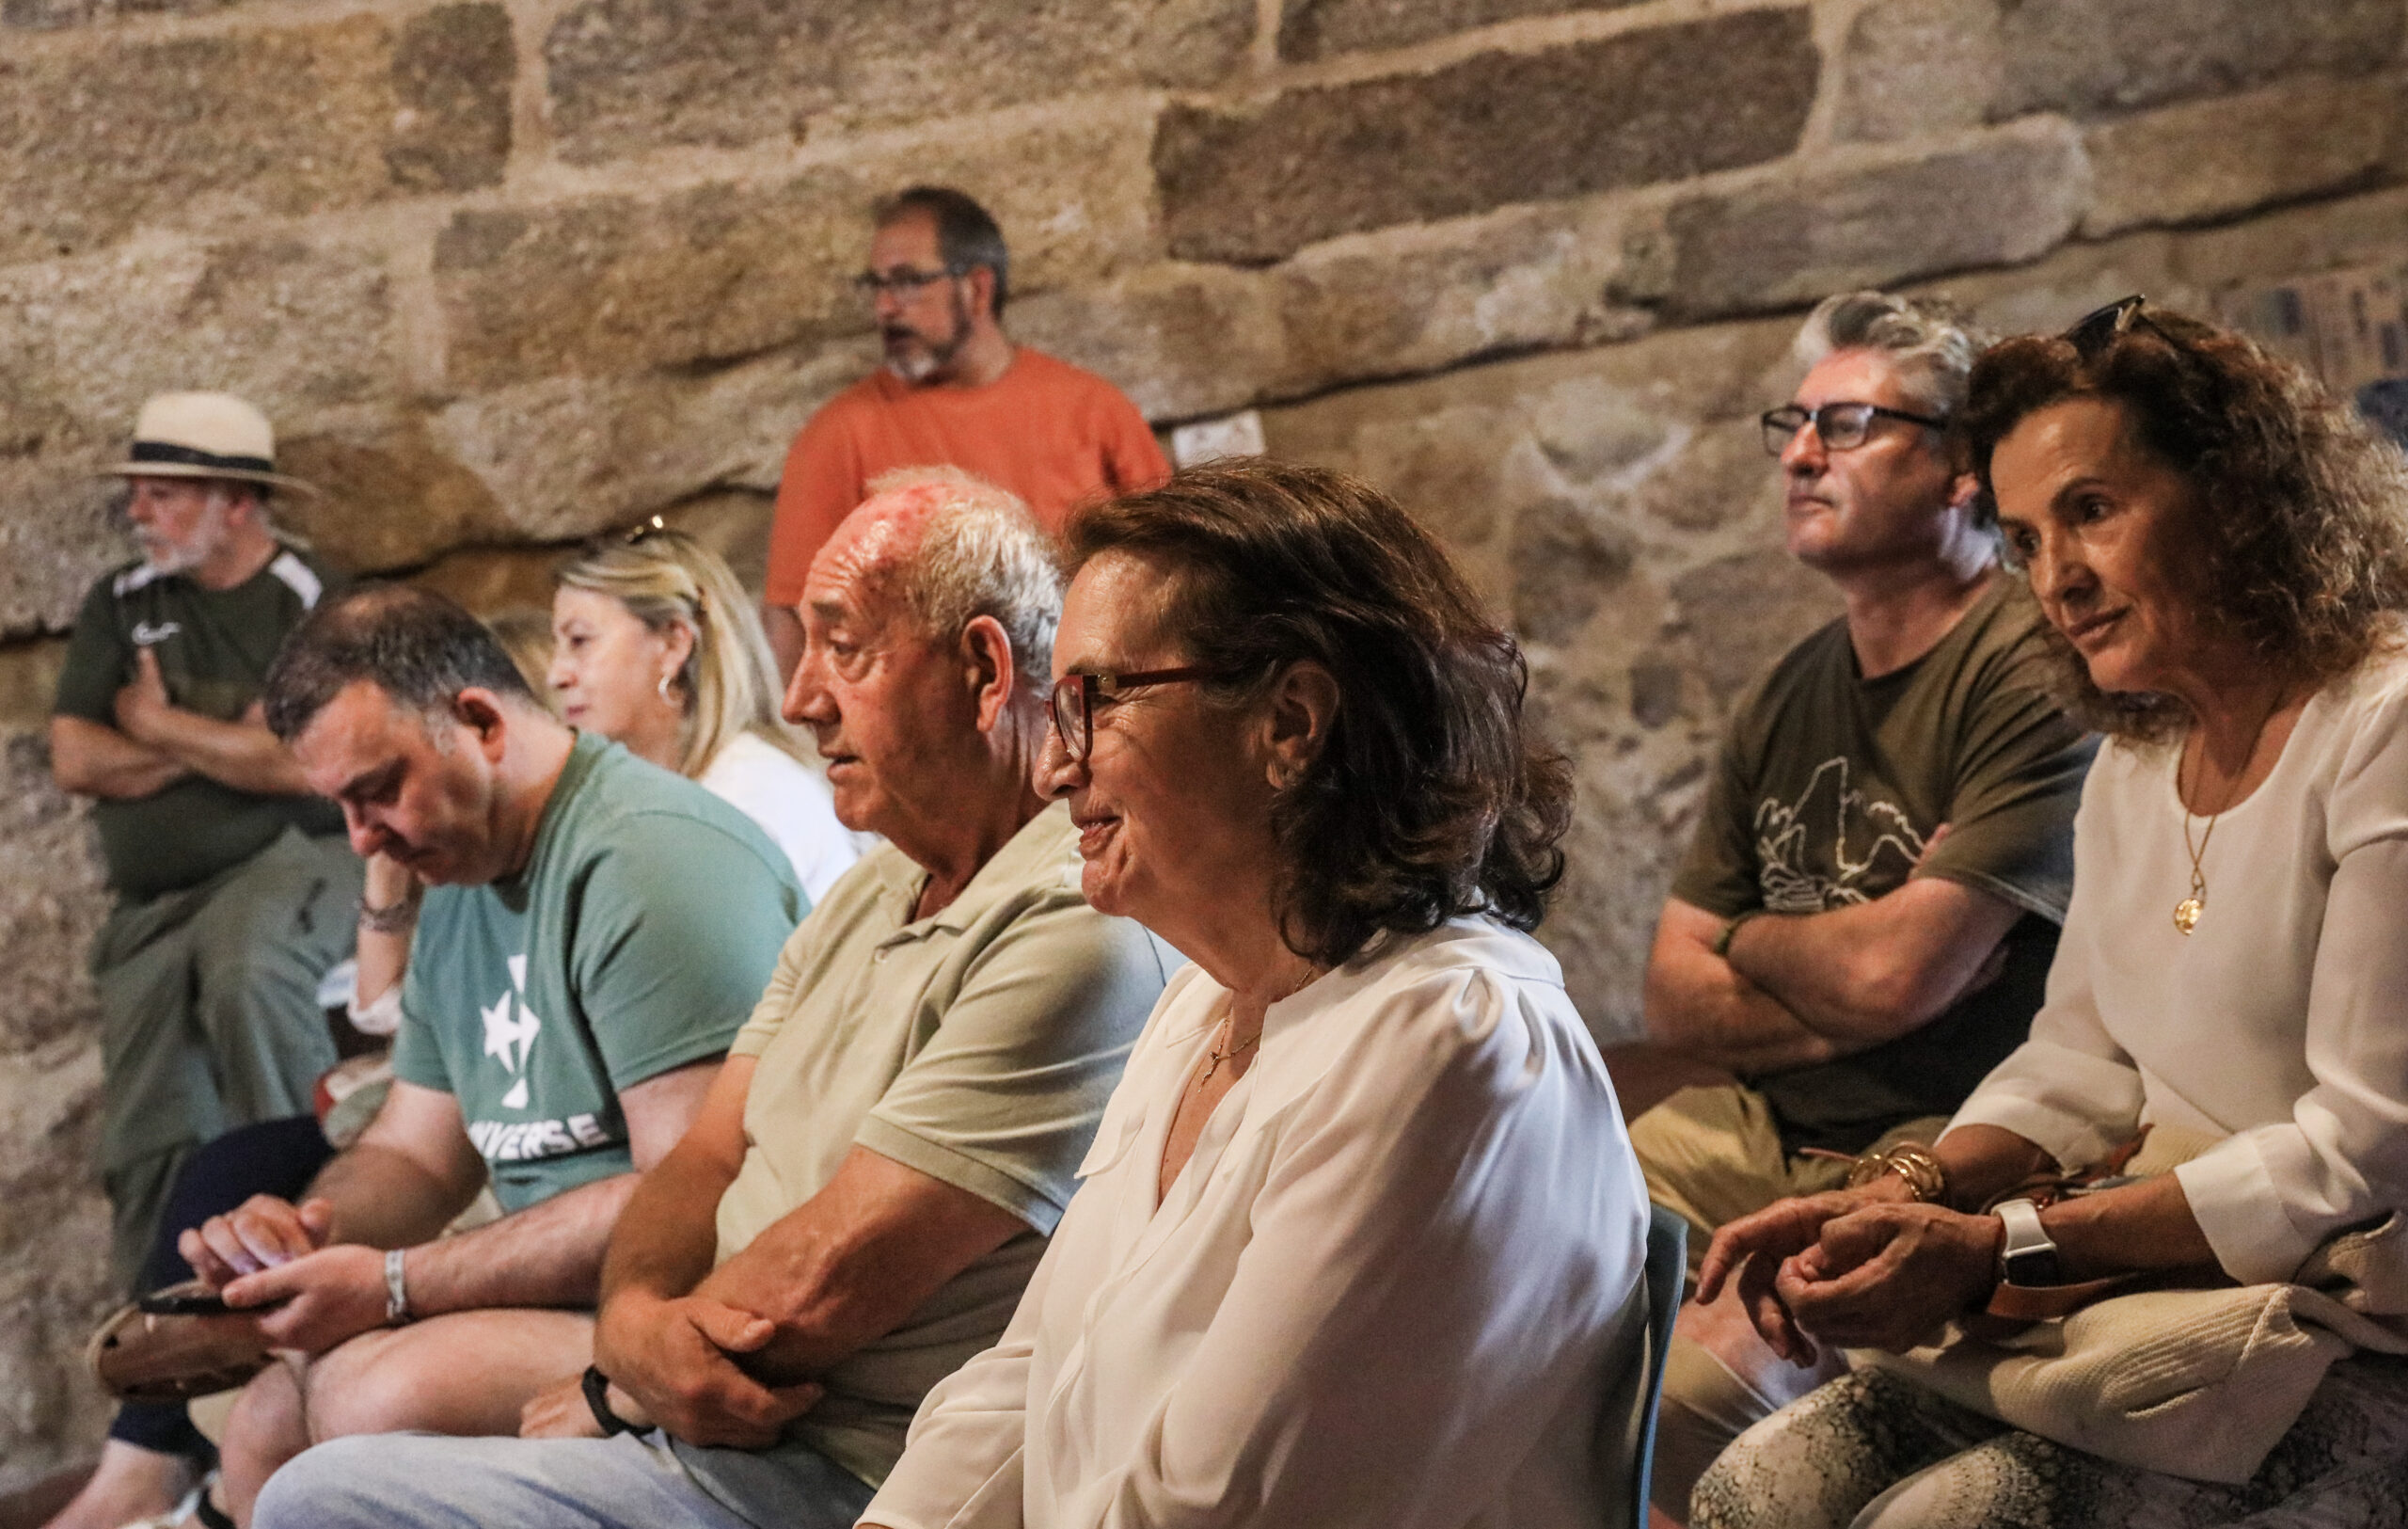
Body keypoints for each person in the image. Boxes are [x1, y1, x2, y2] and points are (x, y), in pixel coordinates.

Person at [254, 469, 1175, 1529]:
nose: (799, 698)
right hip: (695, 1397)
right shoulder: (874, 888)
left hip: (849, 1458)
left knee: (324, 1491)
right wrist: (631, 1330)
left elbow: (829, 1277)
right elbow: (702, 1156)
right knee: (296, 1435)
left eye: (845, 649)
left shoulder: (1069, 914)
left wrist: (617, 1376)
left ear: (983, 669)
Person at [1691, 298, 2408, 1527]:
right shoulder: (2137, 758)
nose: (2058, 577)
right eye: (2025, 538)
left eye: (2093, 511)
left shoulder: (2379, 727)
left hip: (2352, 1323)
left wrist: (2004, 1245)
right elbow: (2079, 1056)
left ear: (2237, 496)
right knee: (1749, 1492)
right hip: (2162, 1299)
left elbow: (2361, 1150)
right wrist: (1909, 1183)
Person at [856, 460, 1649, 1528]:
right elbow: (1024, 1384)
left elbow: (1215, 1507)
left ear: (1289, 721)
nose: (1053, 768)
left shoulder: (1451, 1045)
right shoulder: (1201, 1006)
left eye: (1095, 700)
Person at [174, 585, 803, 1527]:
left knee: (367, 1397)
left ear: (480, 721)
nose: (362, 838)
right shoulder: (463, 872)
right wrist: (302, 1237)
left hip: (700, 1308)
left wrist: (397, 1283)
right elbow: (414, 1154)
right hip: (582, 1295)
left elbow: (695, 1189)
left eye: (378, 789)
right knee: (265, 1419)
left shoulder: (650, 860)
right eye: (340, 804)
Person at [1614, 293, 2096, 1514]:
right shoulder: (1786, 692)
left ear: (1960, 467)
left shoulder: (2033, 666)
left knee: (1681, 1404)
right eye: (1792, 424)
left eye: (1846, 425)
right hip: (1754, 1125)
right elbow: (1671, 989)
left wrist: (1763, 948)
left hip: (1940, 1133)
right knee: (1515, 1260)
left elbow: (1894, 975)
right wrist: (1850, 973)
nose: (1798, 454)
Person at [42, 391, 364, 1529]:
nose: (140, 509)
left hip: (292, 867)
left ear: (236, 501)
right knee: (142, 1130)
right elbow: (76, 753)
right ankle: (161, 1412)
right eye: (140, 490)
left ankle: (292, 1289)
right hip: (154, 902)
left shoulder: (307, 597)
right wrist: (228, 750)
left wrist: (164, 725)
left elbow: (308, 764)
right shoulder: (124, 599)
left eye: (165, 492)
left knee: (248, 980)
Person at [759, 185, 1167, 678]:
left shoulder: (1094, 410)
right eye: (877, 285)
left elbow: (1173, 571)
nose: (884, 307)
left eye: (908, 282)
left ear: (977, 288)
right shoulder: (838, 435)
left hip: (1089, 701)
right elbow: (793, 618)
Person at [551, 523, 856, 901]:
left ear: (673, 644)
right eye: (557, 644)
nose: (556, 675)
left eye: (579, 640)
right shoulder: (670, 791)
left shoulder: (751, 797)